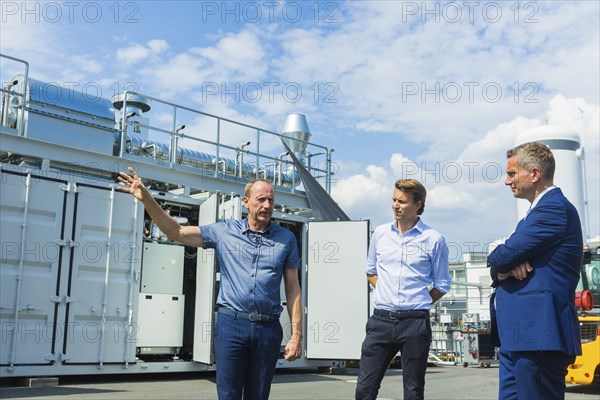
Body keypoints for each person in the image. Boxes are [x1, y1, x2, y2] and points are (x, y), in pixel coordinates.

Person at [118, 167, 302, 400]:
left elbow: (293, 288)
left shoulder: (286, 239)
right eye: (261, 199)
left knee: (259, 396)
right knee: (228, 395)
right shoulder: (224, 231)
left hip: (268, 329)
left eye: (271, 200)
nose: (266, 205)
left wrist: (296, 336)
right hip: (231, 326)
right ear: (246, 202)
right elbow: (177, 231)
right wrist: (147, 199)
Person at [488, 141, 583, 400]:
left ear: (534, 173)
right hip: (519, 338)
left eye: (511, 173)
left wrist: (501, 260)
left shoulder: (553, 209)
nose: (507, 181)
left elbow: (503, 255)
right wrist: (503, 271)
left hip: (539, 336)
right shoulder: (532, 215)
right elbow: (503, 263)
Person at [355, 179, 451, 400]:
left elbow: (442, 284)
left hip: (415, 324)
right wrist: (386, 292)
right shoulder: (380, 234)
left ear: (418, 205)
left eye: (403, 202)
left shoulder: (434, 240)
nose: (396, 205)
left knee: (413, 390)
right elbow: (370, 271)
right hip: (380, 322)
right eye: (394, 200)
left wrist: (418, 300)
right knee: (364, 389)